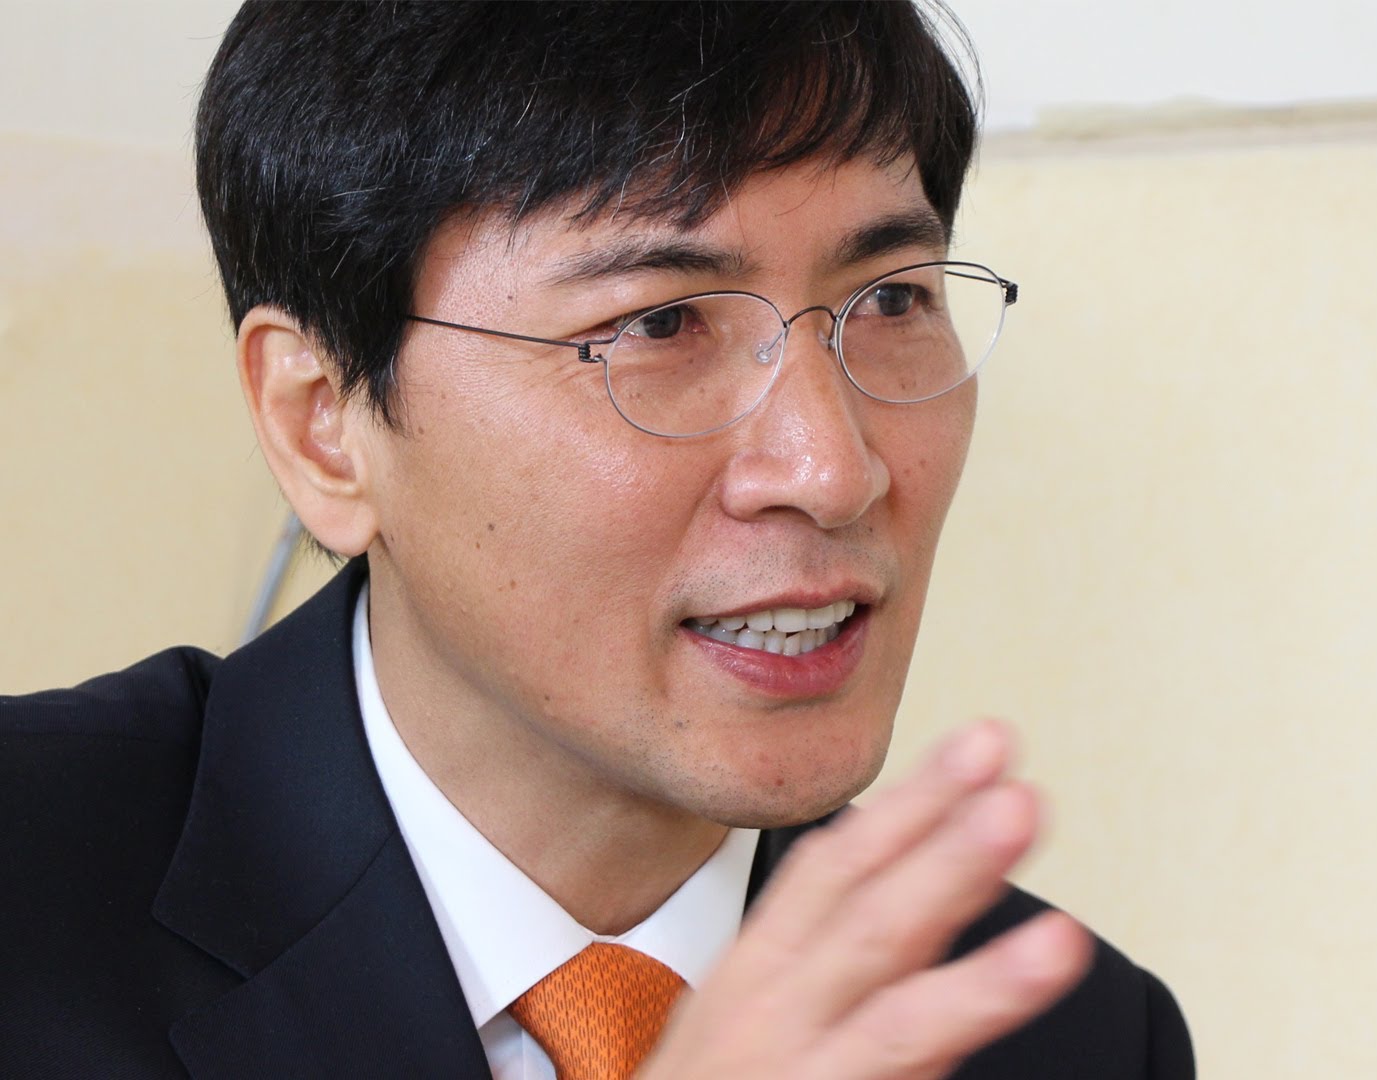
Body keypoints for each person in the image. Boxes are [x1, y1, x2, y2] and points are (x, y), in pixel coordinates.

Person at [0, 3, 1193, 1078]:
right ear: (325, 426)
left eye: (892, 299)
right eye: (660, 324)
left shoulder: (1066, 1035)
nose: (833, 470)